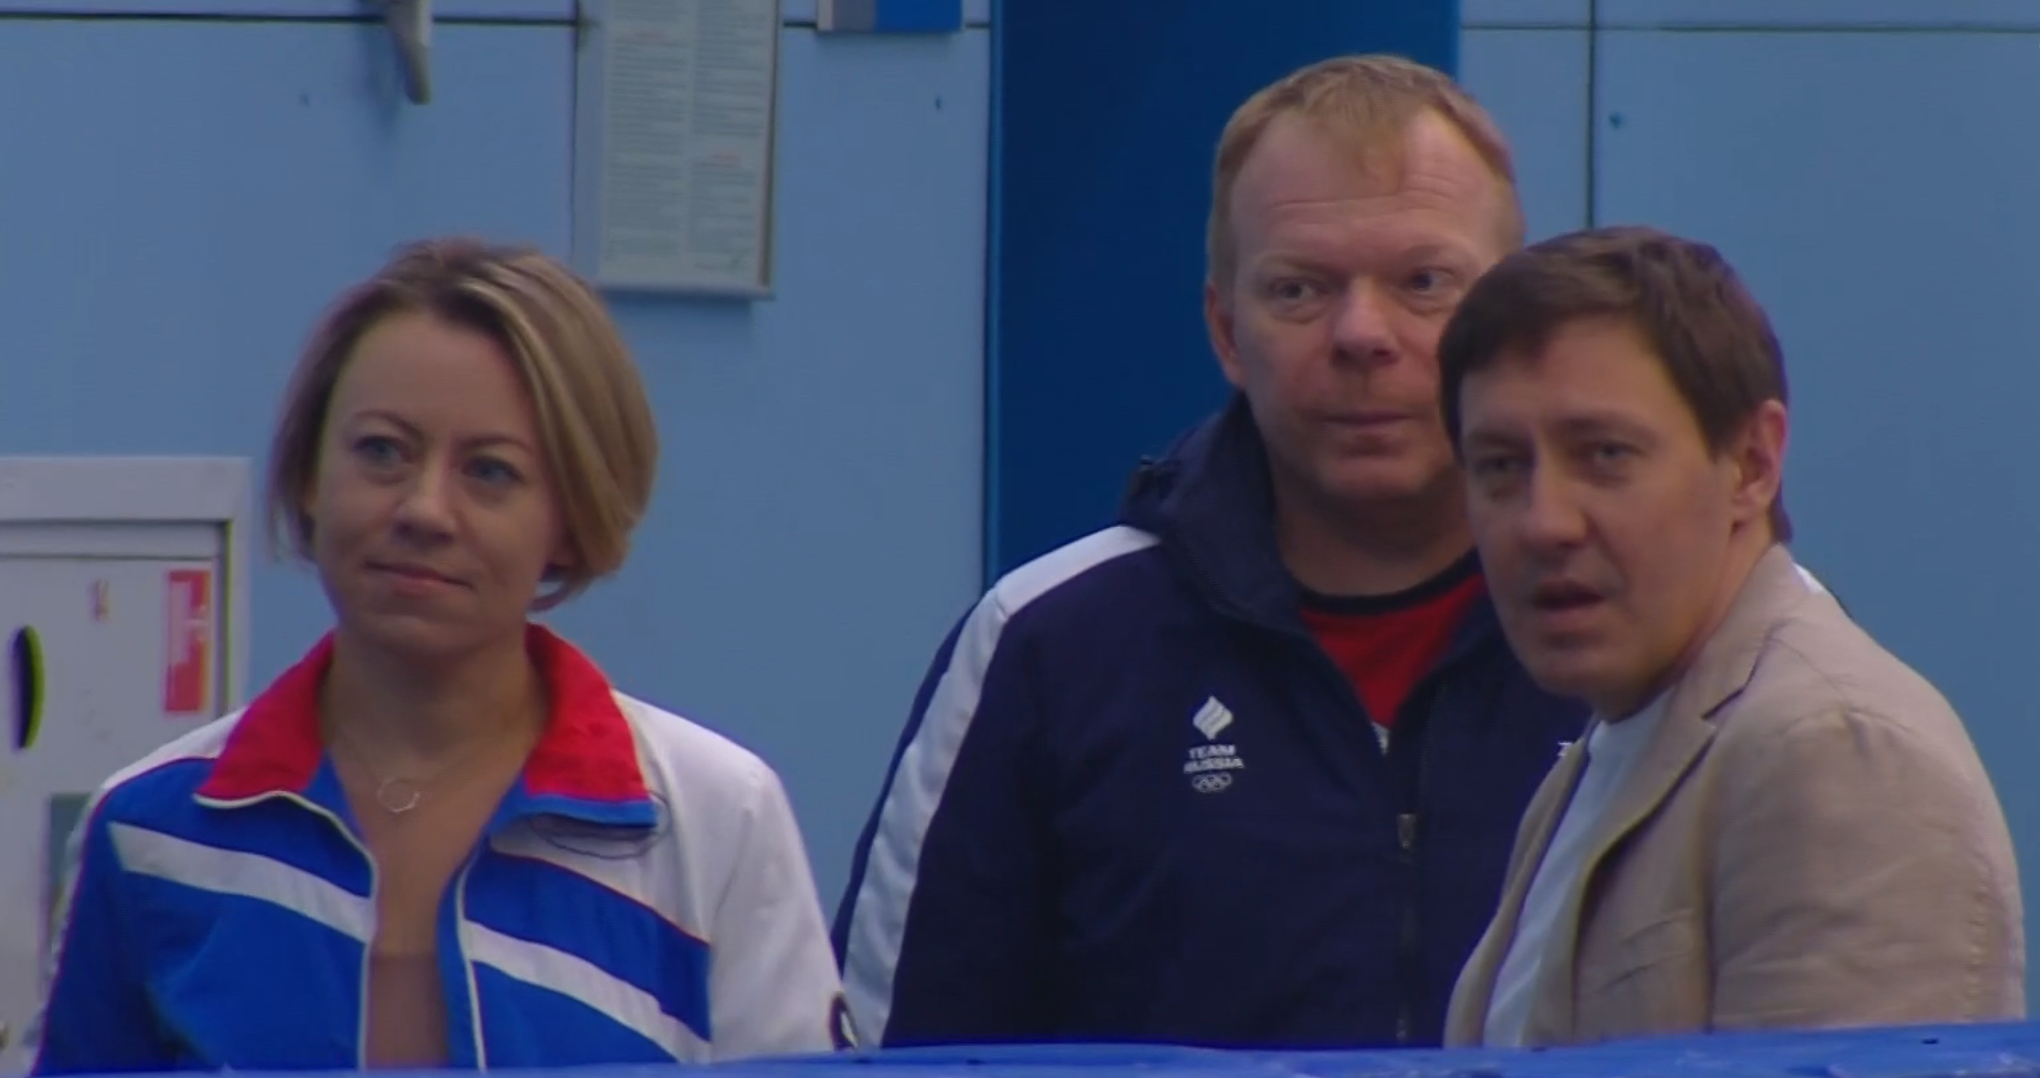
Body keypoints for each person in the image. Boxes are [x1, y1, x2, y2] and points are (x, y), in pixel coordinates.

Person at [832, 55, 1589, 1051]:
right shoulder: (1047, 646)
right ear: (1227, 332)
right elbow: (898, 1056)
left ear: (1507, 322)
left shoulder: (1647, 631)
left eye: (1423, 283)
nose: (1363, 334)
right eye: (1299, 289)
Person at [33, 238, 847, 1073]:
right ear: (312, 476)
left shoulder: (713, 825)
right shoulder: (152, 830)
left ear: (570, 518)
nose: (424, 510)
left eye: (489, 472)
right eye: (381, 451)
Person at [1439, 225, 2024, 1048]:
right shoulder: (1616, 743)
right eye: (1501, 465)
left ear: (1752, 463)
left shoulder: (1833, 750)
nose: (1544, 523)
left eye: (1604, 455)